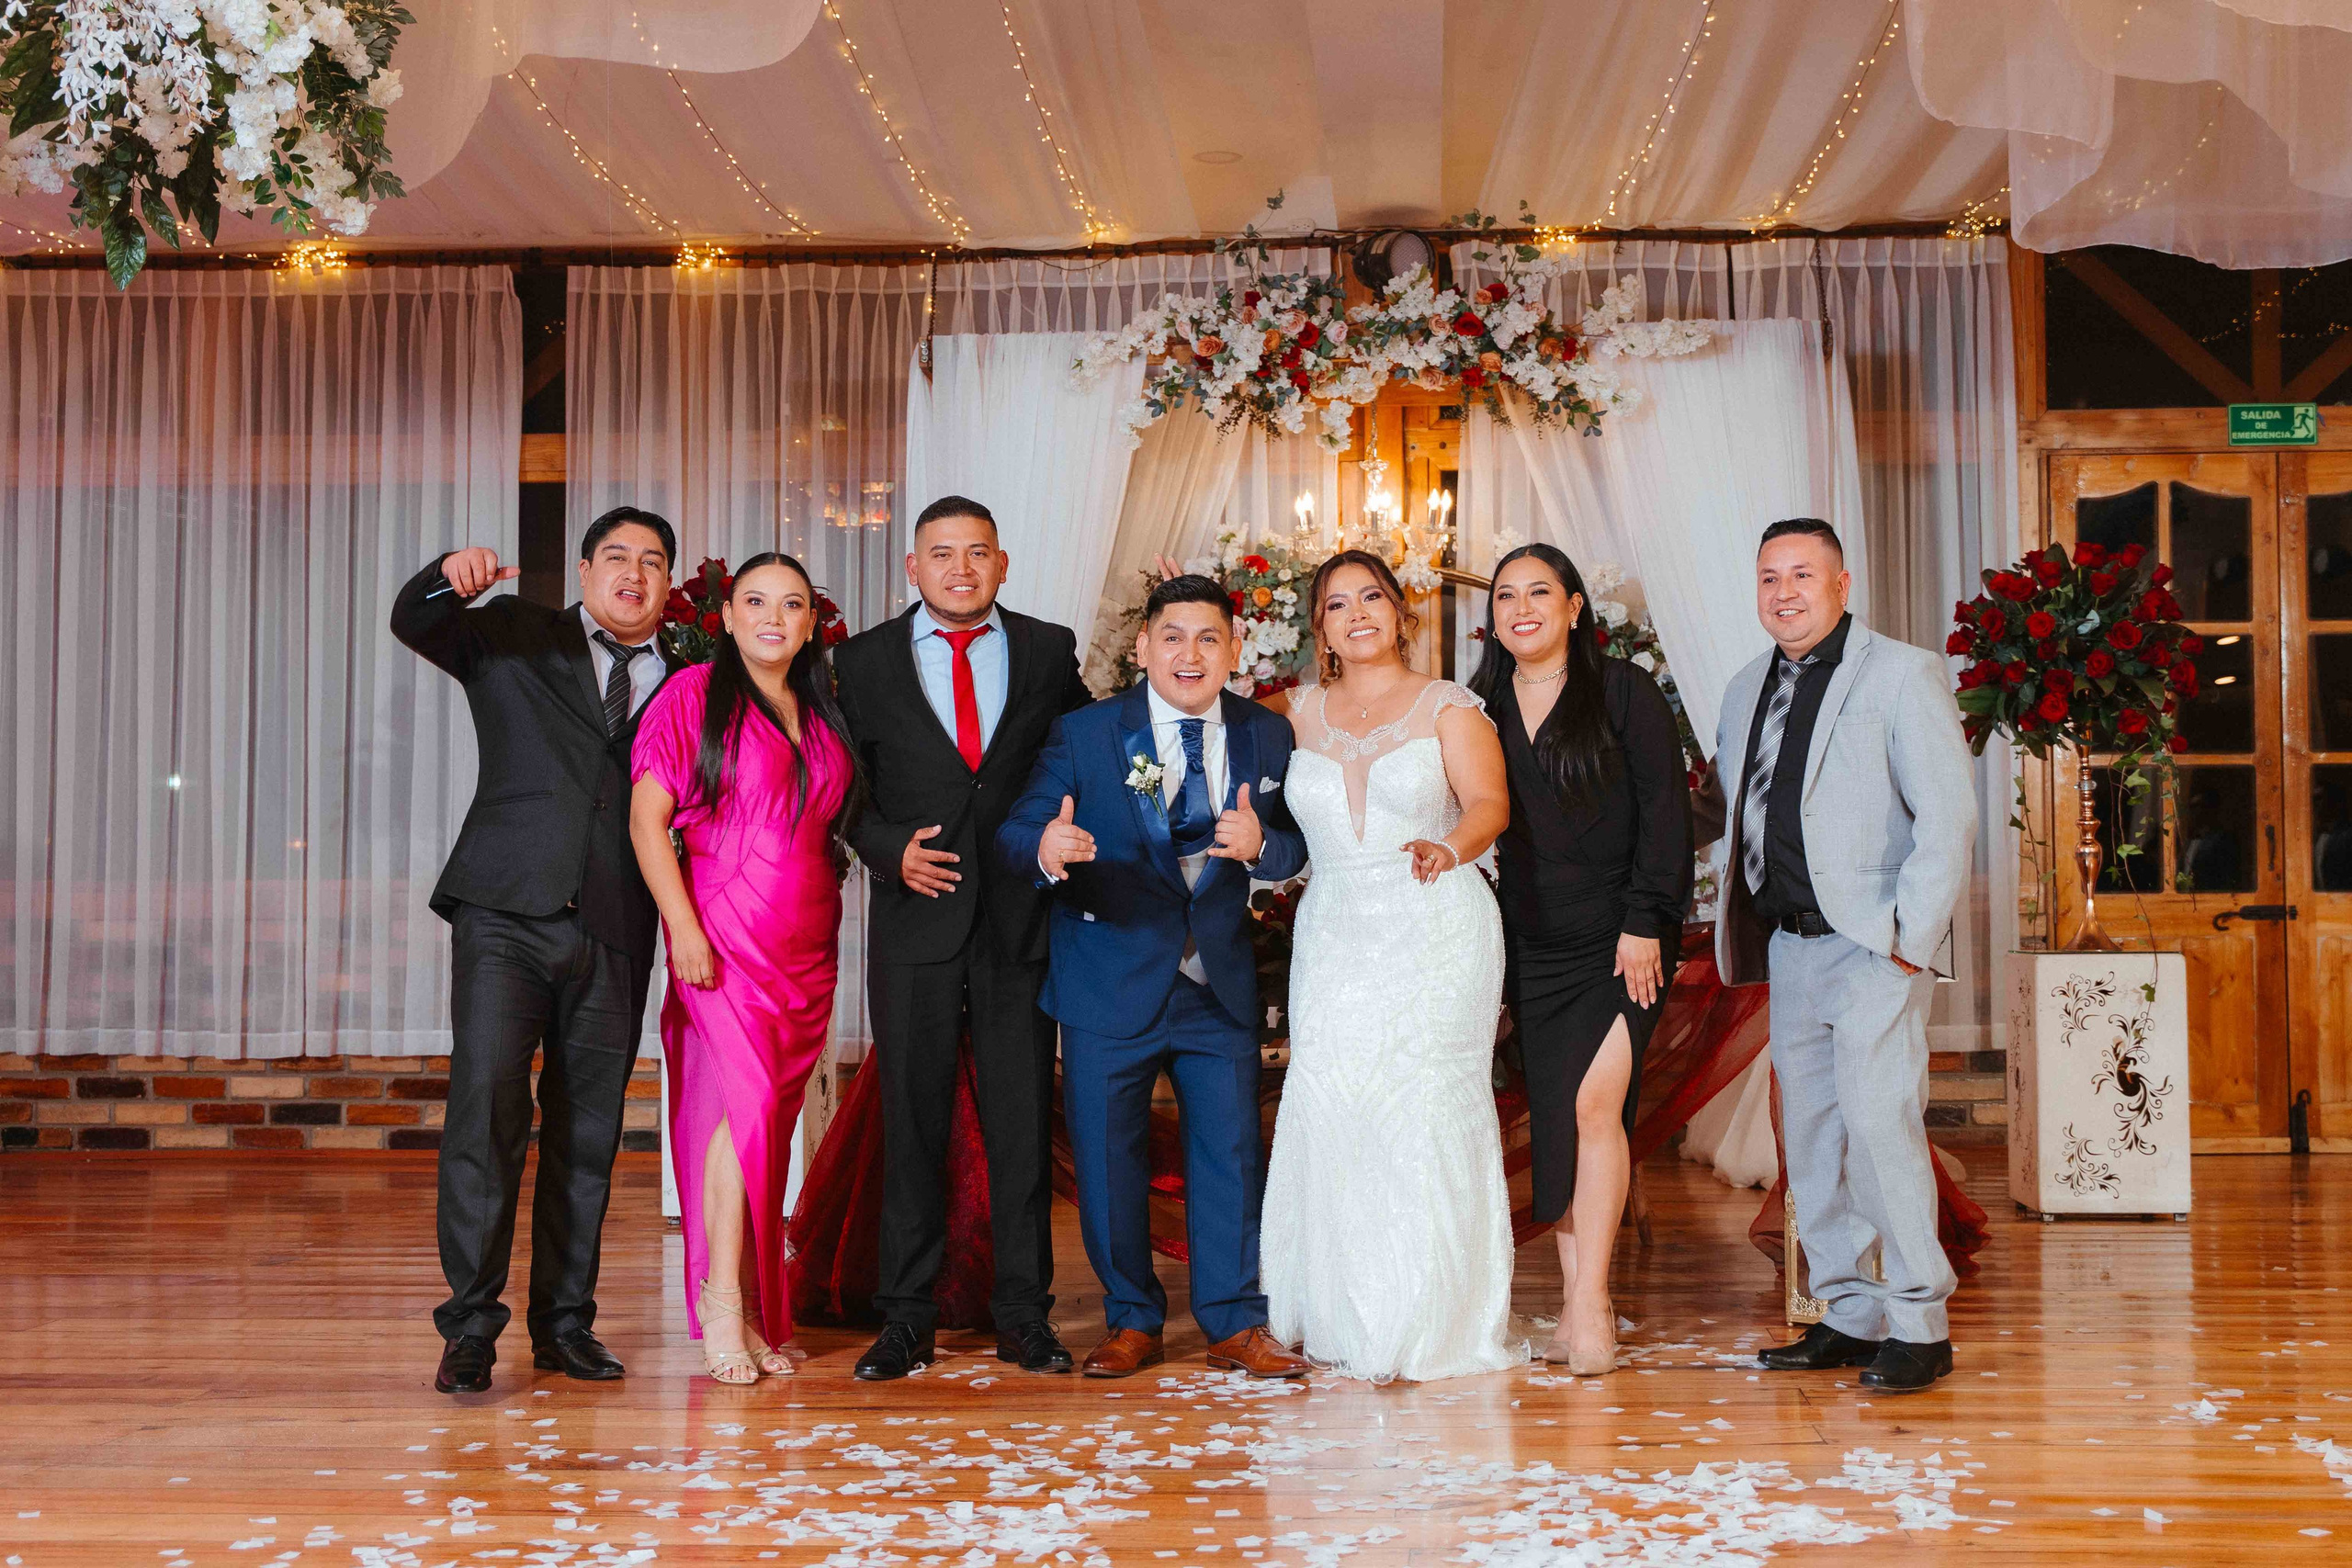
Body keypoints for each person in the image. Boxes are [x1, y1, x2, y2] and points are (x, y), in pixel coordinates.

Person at [389, 507, 678, 1395]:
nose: (634, 572)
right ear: (585, 570)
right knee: (486, 1111)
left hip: (618, 921)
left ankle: (565, 1325)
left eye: (652, 561)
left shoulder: (690, 677)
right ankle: (470, 1326)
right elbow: (414, 620)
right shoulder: (514, 633)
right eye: (617, 556)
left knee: (589, 1131)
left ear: (668, 585)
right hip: (505, 911)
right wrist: (448, 572)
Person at [998, 574, 1312, 1379]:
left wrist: (1264, 849)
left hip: (1217, 984)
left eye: (1209, 638)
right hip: (1107, 978)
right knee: (1108, 1160)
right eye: (1172, 636)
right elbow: (1020, 826)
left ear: (1235, 649)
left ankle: (1234, 1321)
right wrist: (1047, 848)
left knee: (1231, 1155)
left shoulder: (1266, 734)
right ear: (1143, 647)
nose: (1189, 653)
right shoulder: (1085, 732)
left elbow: (1295, 843)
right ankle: (1132, 1318)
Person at [831, 495, 1093, 1382]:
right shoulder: (860, 660)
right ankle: (905, 1318)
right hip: (916, 919)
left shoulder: (1049, 649)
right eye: (942, 553)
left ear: (1002, 563)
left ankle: (1024, 1314)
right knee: (913, 1123)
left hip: (1020, 917)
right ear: (913, 567)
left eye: (978, 552)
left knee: (1022, 1122)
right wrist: (885, 848)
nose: (961, 568)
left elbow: (1083, 753)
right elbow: (840, 784)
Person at [1716, 518, 1976, 1394]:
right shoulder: (1744, 687)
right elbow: (1738, 809)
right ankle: (1849, 1311)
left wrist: (1909, 942)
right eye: (1769, 577)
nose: (1783, 592)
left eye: (1802, 574)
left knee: (1878, 1130)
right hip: (1788, 947)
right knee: (1812, 1139)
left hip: (1872, 946)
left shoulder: (1902, 673)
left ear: (1842, 583)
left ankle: (1920, 1323)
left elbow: (1948, 818)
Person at [1259, 550, 1519, 1383]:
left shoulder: (1449, 706)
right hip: (1335, 929)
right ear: (1320, 627)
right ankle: (1344, 1311)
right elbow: (1202, 726)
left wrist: (1450, 845)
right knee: (1334, 1099)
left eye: (1371, 595)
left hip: (1434, 918)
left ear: (1401, 612)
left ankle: (1433, 1315)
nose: (1358, 613)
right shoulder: (1289, 711)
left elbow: (1490, 805)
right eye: (1338, 604)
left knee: (1423, 1107)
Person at [628, 554, 859, 1382]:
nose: (772, 617)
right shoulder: (693, 693)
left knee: (768, 1126)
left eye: (791, 604)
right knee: (742, 1116)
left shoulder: (821, 707)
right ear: (726, 617)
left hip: (807, 944)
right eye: (755, 601)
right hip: (726, 935)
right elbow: (647, 822)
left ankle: (755, 1305)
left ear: (809, 623)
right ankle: (723, 1298)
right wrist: (683, 927)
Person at [1470, 543, 1691, 1375]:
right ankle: (1572, 1307)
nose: (1522, 607)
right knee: (1560, 1117)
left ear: (1573, 607)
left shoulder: (1624, 691)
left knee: (1598, 1105)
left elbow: (1665, 815)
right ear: (1492, 619)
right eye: (1506, 595)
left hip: (1623, 937)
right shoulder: (1478, 706)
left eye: (1540, 591)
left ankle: (1591, 1302)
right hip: (1530, 941)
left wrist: (1646, 918)